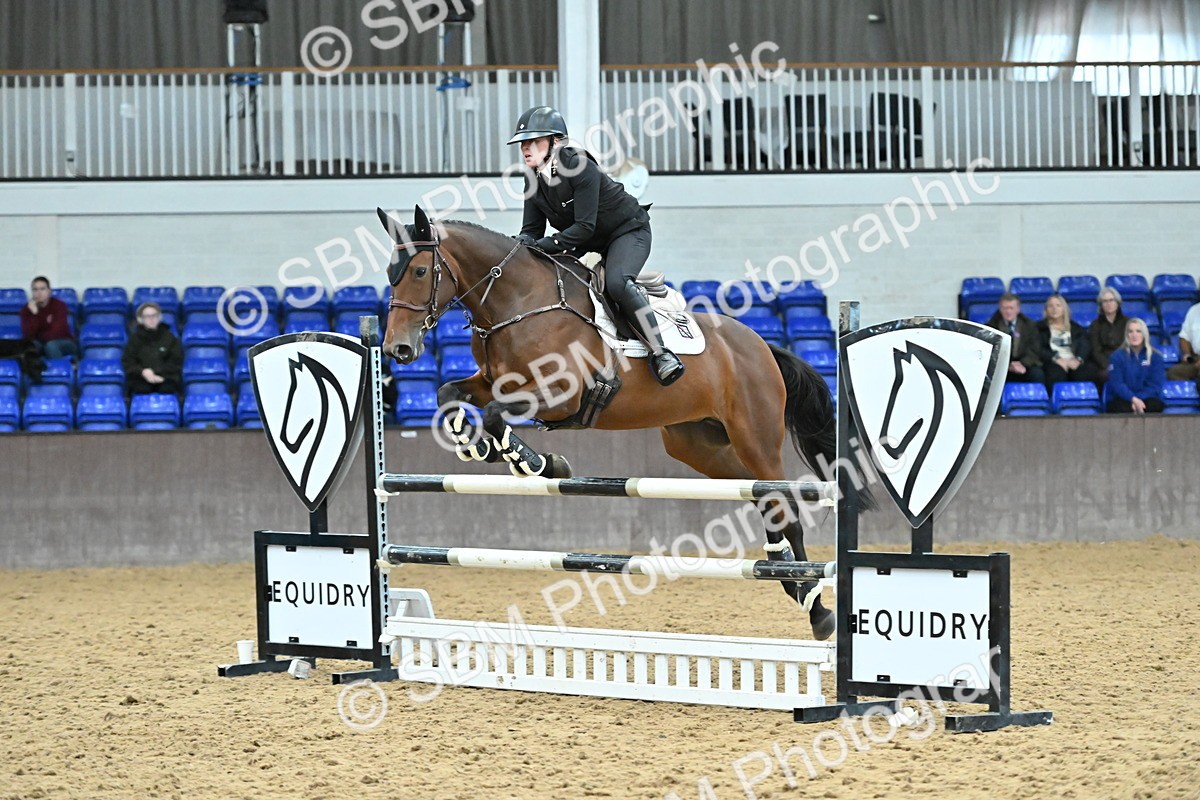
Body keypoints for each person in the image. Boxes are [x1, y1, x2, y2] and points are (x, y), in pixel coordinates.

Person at [508, 105, 685, 386]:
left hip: (627, 231)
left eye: (533, 142)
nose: (525, 149)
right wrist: (515, 249)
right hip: (585, 240)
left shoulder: (579, 165)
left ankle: (662, 353)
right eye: (522, 144)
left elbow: (584, 226)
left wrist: (543, 246)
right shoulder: (532, 177)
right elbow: (531, 230)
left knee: (616, 283)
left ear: (555, 141)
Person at [122, 302, 183, 396]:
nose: (151, 319)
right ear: (140, 319)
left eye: (154, 315)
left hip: (166, 377)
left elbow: (176, 361)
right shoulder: (134, 340)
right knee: (142, 390)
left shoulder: (170, 338)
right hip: (140, 378)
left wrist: (157, 374)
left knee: (167, 389)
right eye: (147, 316)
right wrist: (143, 371)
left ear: (159, 317)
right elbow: (128, 361)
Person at [1037, 294, 1097, 390]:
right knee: (1055, 373)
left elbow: (1085, 345)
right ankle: (1059, 402)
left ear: (1064, 308)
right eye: (1050, 306)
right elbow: (1038, 348)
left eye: (1058, 305)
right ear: (1046, 310)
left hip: (1073, 360)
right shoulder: (1039, 328)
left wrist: (1078, 359)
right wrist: (1056, 359)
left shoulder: (1076, 328)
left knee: (1086, 372)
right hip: (1052, 362)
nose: (1054, 309)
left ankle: (1081, 402)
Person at [1106, 318, 1165, 414]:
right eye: (1130, 331)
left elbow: (1155, 385)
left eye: (1138, 331)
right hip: (1122, 399)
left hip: (1147, 398)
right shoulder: (1116, 357)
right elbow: (1117, 384)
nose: (1134, 335)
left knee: (1154, 405)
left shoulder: (1156, 357)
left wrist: (1139, 399)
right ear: (1126, 335)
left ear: (1144, 334)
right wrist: (1133, 399)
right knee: (1120, 408)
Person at [986, 293, 1043, 383]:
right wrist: (1008, 365)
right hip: (1001, 366)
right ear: (1000, 309)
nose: (1008, 312)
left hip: (1024, 364)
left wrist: (1023, 363)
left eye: (1011, 308)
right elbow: (990, 351)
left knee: (1037, 374)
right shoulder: (991, 327)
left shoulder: (1029, 326)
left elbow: (1034, 349)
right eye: (1005, 308)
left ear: (1018, 309)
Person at [19, 276, 78, 360]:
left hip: (64, 342)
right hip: (41, 343)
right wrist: (36, 315)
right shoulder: (27, 309)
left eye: (42, 289)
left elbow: (57, 333)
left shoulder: (59, 306)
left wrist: (37, 317)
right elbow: (28, 335)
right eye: (35, 290)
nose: (39, 293)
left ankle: (58, 371)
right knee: (29, 346)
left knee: (50, 345)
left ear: (49, 291)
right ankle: (33, 372)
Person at [1087, 286, 1129, 381]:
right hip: (1104, 364)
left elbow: (1131, 347)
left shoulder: (1128, 322)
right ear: (1101, 305)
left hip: (1125, 361)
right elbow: (1095, 351)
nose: (1108, 304)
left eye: (1111, 300)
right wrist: (1108, 365)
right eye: (1105, 301)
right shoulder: (1095, 325)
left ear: (1117, 303)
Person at [1166, 301, 1200, 384]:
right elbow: (1184, 337)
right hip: (1195, 359)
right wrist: (1187, 354)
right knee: (1173, 372)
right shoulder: (1194, 310)